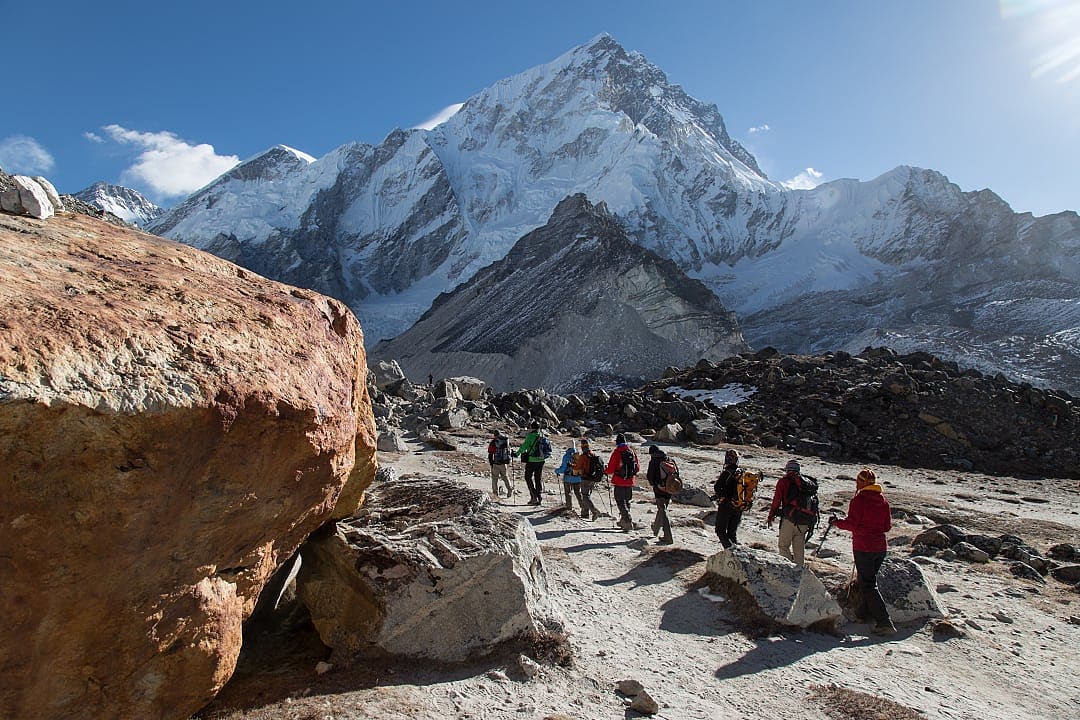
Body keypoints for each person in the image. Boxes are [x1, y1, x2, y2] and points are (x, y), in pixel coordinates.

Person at [831, 468, 897, 636]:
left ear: (861, 482)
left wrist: (837, 523)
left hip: (864, 546)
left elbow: (852, 524)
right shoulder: (882, 500)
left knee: (868, 584)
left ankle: (884, 622)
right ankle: (864, 614)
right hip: (880, 547)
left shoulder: (859, 500)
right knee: (867, 581)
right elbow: (887, 527)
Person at [767, 459, 814, 566]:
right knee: (799, 549)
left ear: (787, 469)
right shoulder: (806, 483)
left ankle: (788, 569)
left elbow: (776, 501)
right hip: (804, 520)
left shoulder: (783, 482)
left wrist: (771, 516)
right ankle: (799, 571)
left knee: (783, 546)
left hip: (789, 518)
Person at [605, 433, 638, 531]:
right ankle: (623, 521)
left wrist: (605, 471)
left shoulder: (617, 452)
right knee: (627, 501)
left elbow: (610, 469)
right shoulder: (631, 452)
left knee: (620, 501)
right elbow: (637, 467)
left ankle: (627, 521)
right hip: (630, 481)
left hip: (619, 481)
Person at [713, 449, 743, 548]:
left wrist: (720, 496)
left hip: (726, 506)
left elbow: (717, 487)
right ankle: (736, 552)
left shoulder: (727, 472)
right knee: (732, 533)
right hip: (739, 506)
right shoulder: (741, 472)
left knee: (720, 531)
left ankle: (730, 551)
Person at [645, 444, 674, 545]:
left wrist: (654, 484)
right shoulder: (669, 459)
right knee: (662, 509)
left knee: (662, 510)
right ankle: (655, 529)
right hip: (670, 488)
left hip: (659, 489)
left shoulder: (654, 461)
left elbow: (650, 476)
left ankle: (668, 536)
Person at [517, 424, 549, 505]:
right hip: (541, 460)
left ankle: (534, 496)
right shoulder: (543, 436)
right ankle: (539, 496)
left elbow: (524, 446)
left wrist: (517, 454)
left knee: (528, 477)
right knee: (538, 478)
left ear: (532, 428)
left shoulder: (530, 436)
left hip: (531, 460)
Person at [573, 438, 603, 520]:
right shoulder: (593, 454)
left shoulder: (583, 456)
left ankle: (594, 512)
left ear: (582, 446)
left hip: (585, 478)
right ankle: (585, 514)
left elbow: (577, 467)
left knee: (585, 496)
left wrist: (572, 465)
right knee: (587, 496)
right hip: (593, 478)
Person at [555, 442, 584, 513]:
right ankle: (583, 507)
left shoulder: (566, 456)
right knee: (578, 493)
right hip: (578, 478)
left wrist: (557, 471)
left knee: (568, 493)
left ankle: (569, 507)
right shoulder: (578, 455)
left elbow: (563, 468)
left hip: (568, 478)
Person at [487, 430, 513, 498]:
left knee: (494, 479)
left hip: (496, 463)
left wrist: (491, 463)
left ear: (494, 435)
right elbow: (509, 451)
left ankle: (495, 493)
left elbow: (490, 453)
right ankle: (510, 489)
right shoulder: (505, 441)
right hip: (504, 463)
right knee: (505, 477)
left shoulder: (493, 442)